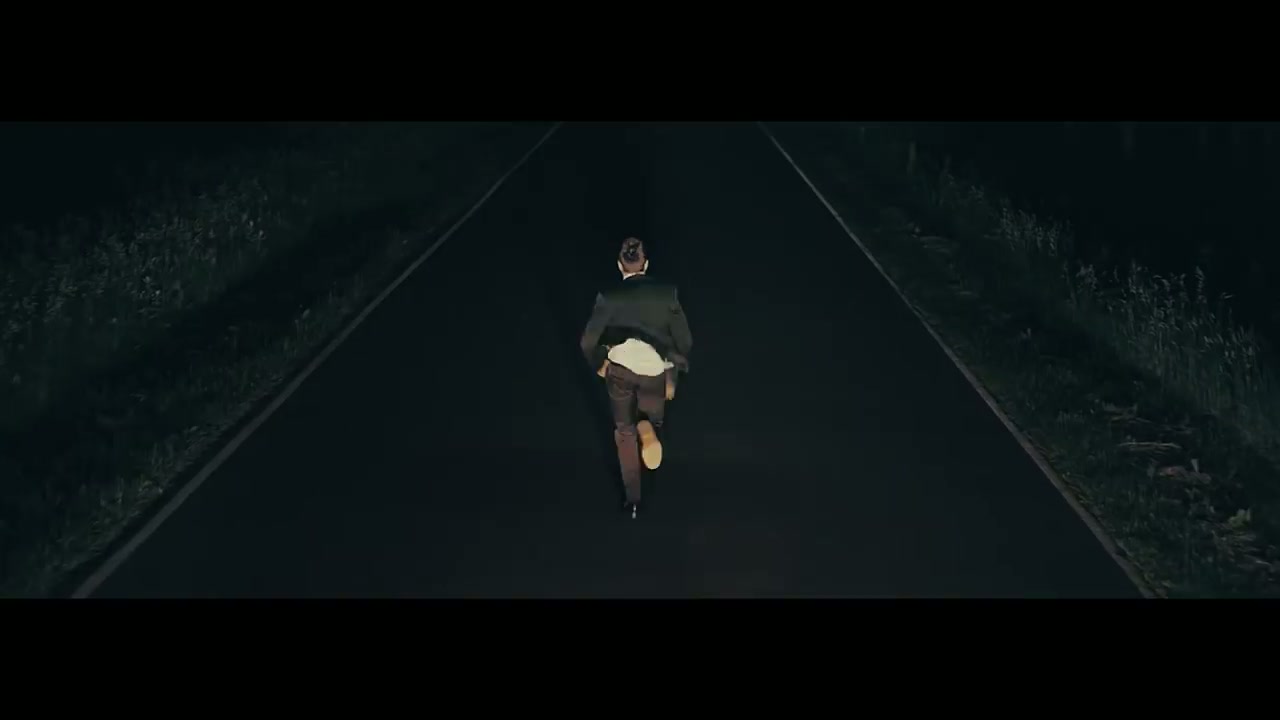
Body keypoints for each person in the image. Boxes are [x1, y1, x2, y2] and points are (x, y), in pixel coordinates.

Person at [580, 237, 693, 519]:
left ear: (620, 265)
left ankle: (632, 500)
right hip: (654, 372)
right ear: (646, 264)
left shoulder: (608, 296)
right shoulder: (666, 294)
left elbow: (587, 342)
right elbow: (685, 341)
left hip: (620, 371)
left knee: (623, 431)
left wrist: (600, 364)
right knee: (655, 419)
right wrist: (671, 373)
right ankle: (649, 427)